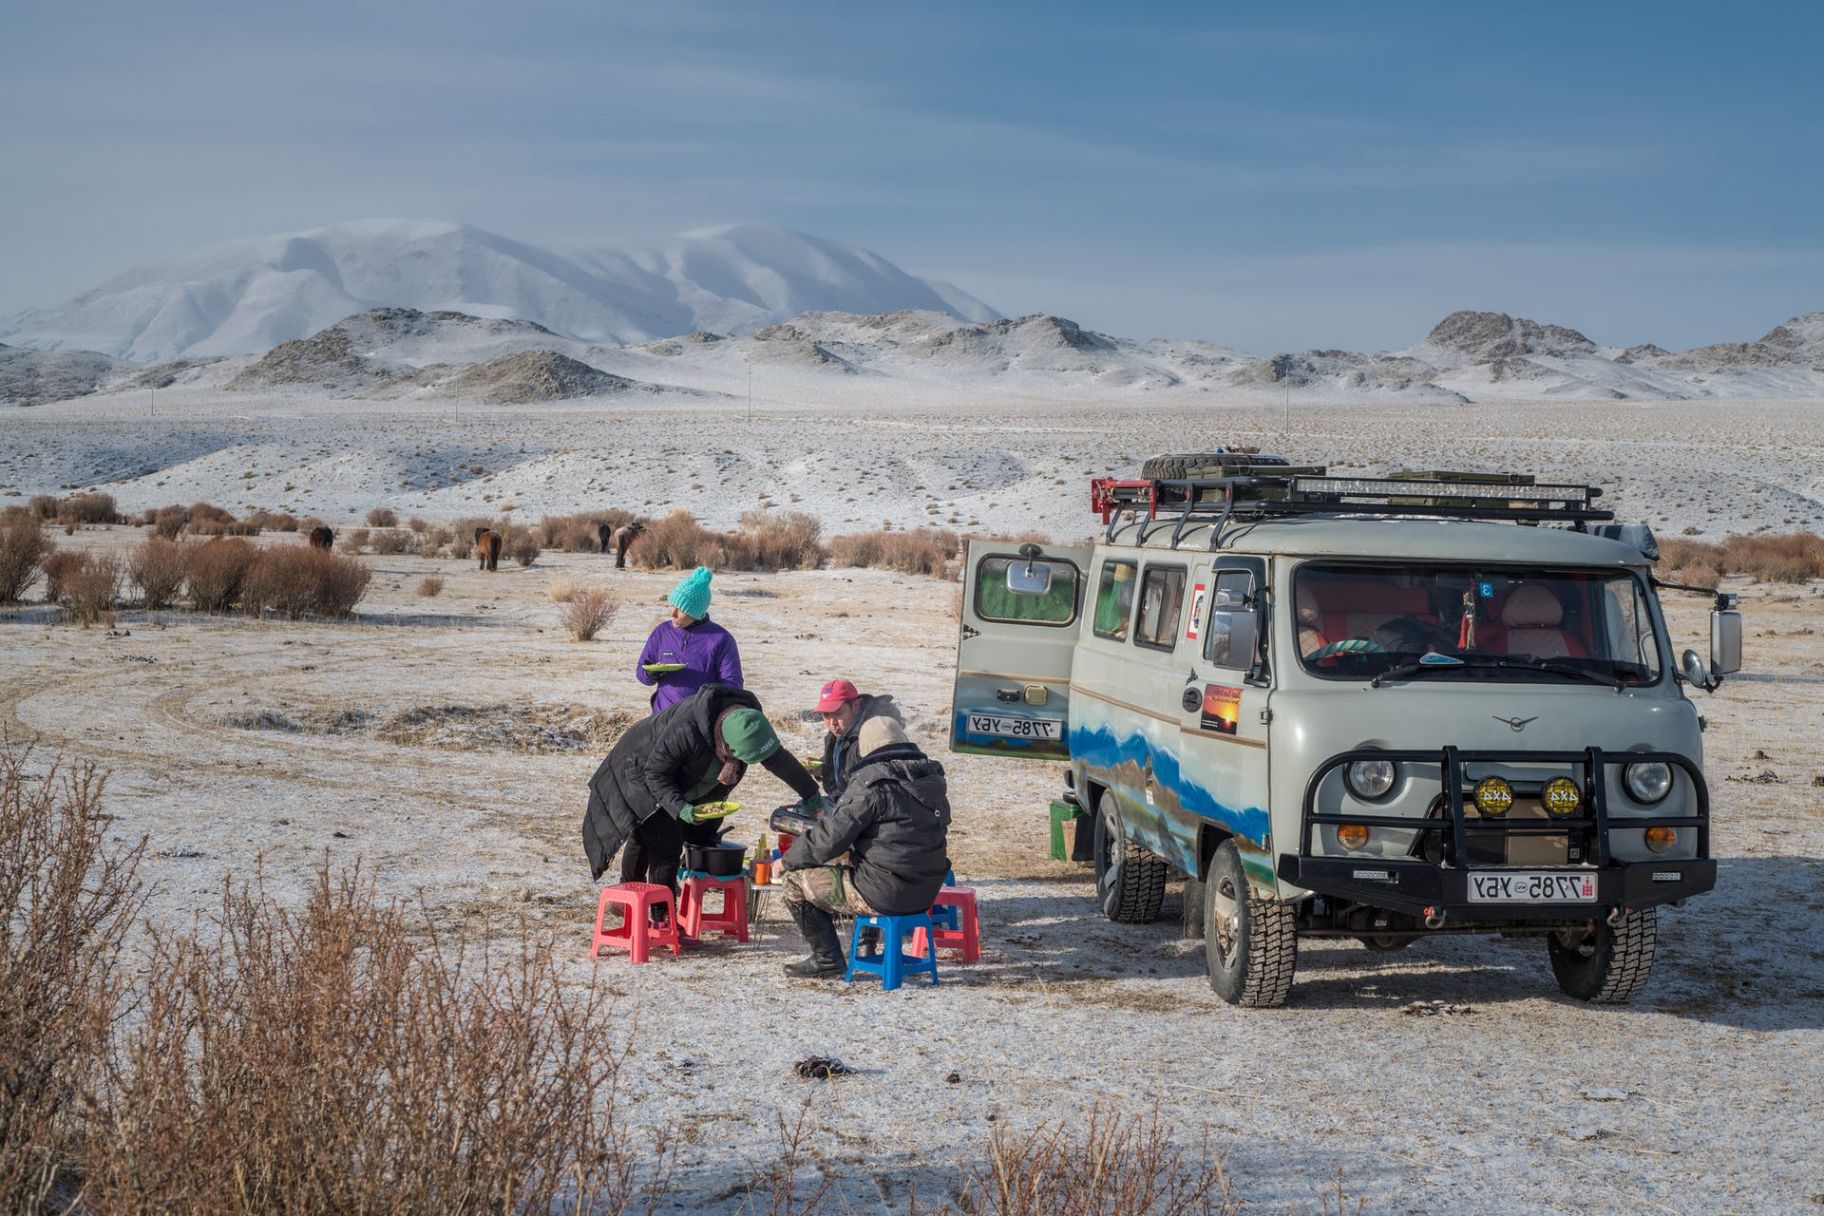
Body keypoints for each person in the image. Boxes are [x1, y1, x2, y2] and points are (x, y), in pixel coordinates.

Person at [583, 683, 821, 904]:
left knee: (653, 833)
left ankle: (630, 897)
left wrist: (811, 794)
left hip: (674, 774)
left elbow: (779, 760)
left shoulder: (750, 724)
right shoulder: (687, 730)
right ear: (727, 746)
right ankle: (660, 918)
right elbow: (656, 774)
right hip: (637, 767)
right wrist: (681, 809)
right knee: (664, 840)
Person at [777, 716, 951, 979]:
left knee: (793, 882)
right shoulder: (931, 780)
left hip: (885, 894)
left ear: (865, 748)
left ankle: (827, 960)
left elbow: (830, 839)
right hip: (926, 891)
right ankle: (863, 946)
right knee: (864, 867)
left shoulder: (871, 782)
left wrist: (787, 860)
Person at [636, 566, 742, 714]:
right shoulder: (662, 632)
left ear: (696, 612)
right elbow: (641, 673)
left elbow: (733, 686)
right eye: (672, 606)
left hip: (698, 721)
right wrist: (652, 673)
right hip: (662, 719)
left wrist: (708, 704)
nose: (672, 613)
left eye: (680, 609)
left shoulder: (721, 639)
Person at [811, 678, 904, 798]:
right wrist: (823, 766)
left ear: (855, 706)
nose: (832, 722)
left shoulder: (872, 739)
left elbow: (875, 792)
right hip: (844, 803)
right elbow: (844, 761)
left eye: (838, 713)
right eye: (826, 715)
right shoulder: (838, 733)